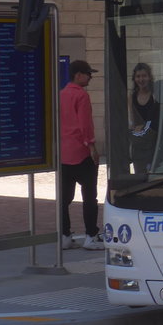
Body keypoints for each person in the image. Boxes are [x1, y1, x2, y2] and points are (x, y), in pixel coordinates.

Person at [60, 59, 103, 250]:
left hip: (64, 154)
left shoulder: (61, 94)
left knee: (64, 199)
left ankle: (65, 235)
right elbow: (85, 124)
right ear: (78, 75)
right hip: (82, 153)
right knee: (89, 197)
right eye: (88, 74)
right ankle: (91, 236)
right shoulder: (82, 96)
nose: (90, 77)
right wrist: (92, 146)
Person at [128, 62, 159, 174]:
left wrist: (145, 126)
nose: (141, 79)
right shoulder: (132, 97)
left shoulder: (155, 95)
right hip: (139, 145)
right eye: (138, 76)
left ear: (149, 77)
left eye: (144, 76)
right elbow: (132, 122)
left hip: (154, 143)